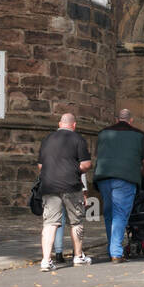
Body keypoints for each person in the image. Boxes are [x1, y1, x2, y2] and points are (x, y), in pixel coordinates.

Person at [92, 108, 144, 263]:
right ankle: (116, 252)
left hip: (104, 177)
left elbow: (97, 156)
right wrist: (141, 172)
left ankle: (112, 249)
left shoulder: (103, 133)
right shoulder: (139, 135)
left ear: (116, 119)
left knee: (109, 213)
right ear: (130, 120)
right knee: (120, 213)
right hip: (125, 178)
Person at [38, 112, 93, 272]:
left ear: (60, 124)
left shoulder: (47, 139)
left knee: (49, 223)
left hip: (49, 185)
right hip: (71, 185)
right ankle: (78, 256)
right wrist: (72, 170)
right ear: (74, 125)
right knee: (75, 221)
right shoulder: (78, 139)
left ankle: (46, 261)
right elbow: (86, 164)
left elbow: (41, 167)